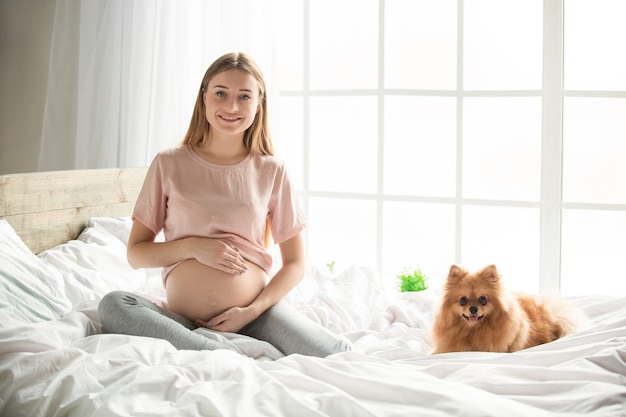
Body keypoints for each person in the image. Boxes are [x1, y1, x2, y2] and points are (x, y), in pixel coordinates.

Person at [98, 52, 350, 357]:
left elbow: (295, 263)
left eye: (244, 96)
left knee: (335, 353)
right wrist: (193, 247)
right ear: (204, 97)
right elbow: (136, 253)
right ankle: (211, 350)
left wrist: (252, 310)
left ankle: (211, 351)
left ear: (259, 103)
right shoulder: (169, 163)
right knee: (114, 305)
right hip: (184, 321)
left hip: (255, 316)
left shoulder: (272, 169)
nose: (232, 107)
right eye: (221, 93)